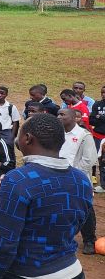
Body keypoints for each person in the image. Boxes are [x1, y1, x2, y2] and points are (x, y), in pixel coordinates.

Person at [0, 114, 92, 279]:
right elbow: (75, 222)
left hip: (29, 274)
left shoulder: (18, 180)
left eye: (19, 133)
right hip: (73, 272)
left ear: (27, 138)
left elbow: (4, 243)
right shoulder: (82, 179)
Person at [58, 107, 98, 255]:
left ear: (74, 118)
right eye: (58, 114)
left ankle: (89, 240)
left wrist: (73, 173)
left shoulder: (84, 135)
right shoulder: (56, 133)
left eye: (63, 115)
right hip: (59, 177)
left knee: (85, 208)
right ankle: (62, 238)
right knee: (60, 207)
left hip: (78, 178)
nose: (59, 117)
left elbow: (89, 159)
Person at [0, 85, 20, 157]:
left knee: (8, 149)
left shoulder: (11, 107)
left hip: (6, 132)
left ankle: (10, 162)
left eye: (2, 93)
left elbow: (15, 121)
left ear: (6, 95)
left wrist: (12, 135)